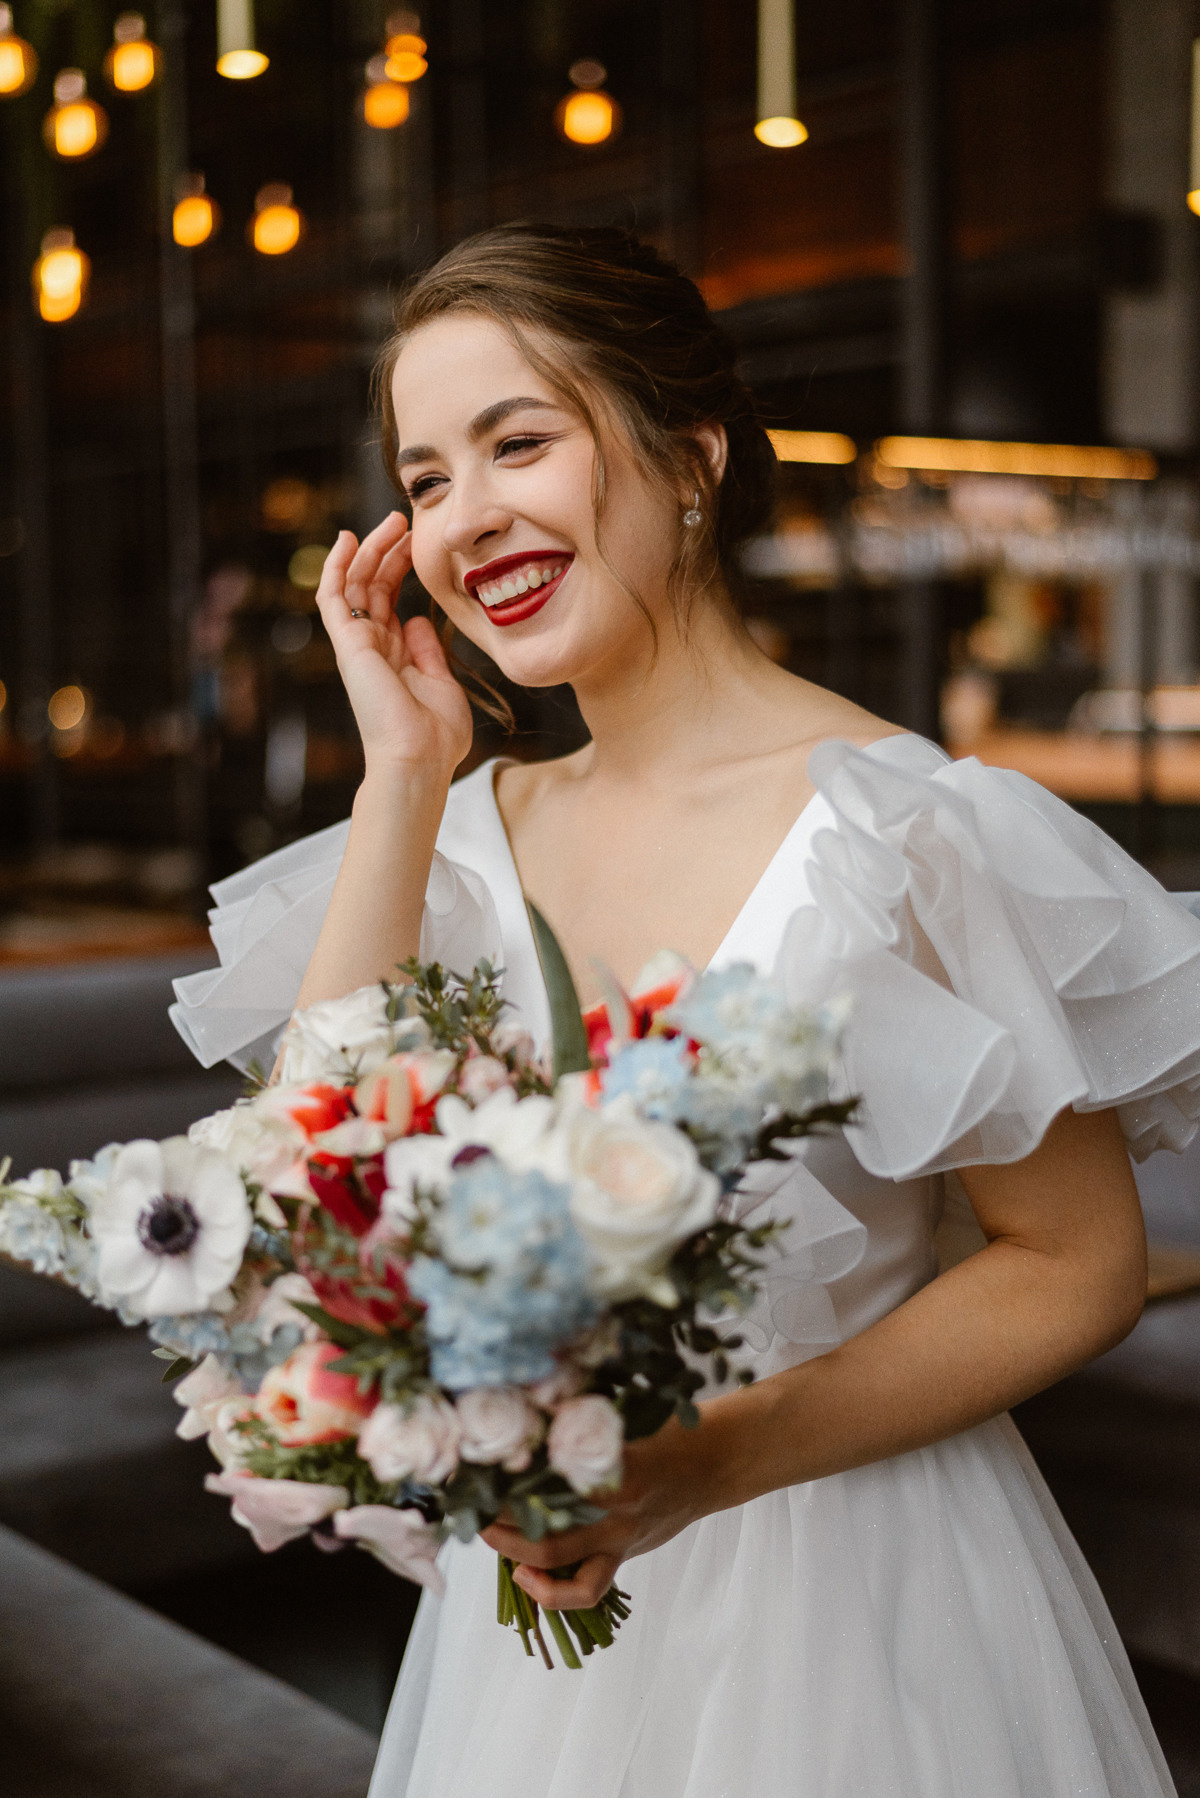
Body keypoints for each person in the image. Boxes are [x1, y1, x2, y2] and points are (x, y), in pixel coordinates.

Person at [172, 224, 1200, 1797]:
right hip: (534, 1657)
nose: (466, 516)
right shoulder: (452, 832)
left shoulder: (911, 831)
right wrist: (397, 774)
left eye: (521, 441)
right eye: (426, 476)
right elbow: (316, 1204)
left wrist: (710, 1461)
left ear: (690, 455)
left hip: (870, 1607)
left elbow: (1080, 1261)